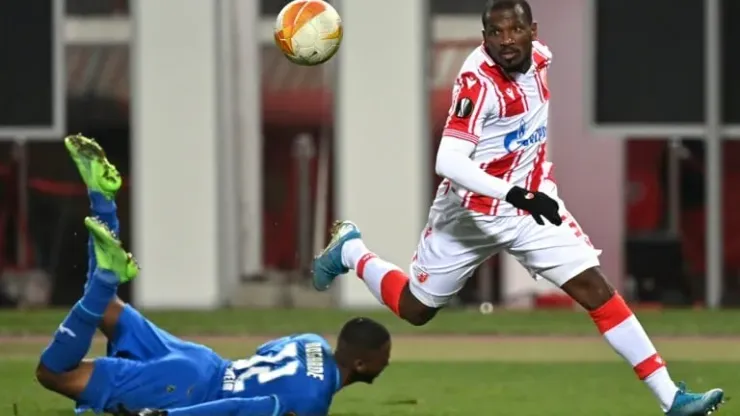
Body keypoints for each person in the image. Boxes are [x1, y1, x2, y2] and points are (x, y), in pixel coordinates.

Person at [312, 1, 724, 415]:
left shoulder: (541, 58)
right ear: (484, 38)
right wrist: (515, 193)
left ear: (533, 31)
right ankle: (351, 250)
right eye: (496, 32)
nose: (506, 40)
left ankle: (671, 398)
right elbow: (448, 161)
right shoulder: (477, 84)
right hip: (470, 213)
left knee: (594, 288)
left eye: (515, 30)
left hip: (530, 209)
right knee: (416, 309)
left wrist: (527, 191)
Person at [35, 135, 391, 416]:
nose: (387, 363)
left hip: (207, 364)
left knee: (106, 306)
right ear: (361, 363)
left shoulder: (310, 341)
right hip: (190, 392)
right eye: (383, 357)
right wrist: (167, 415)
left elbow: (263, 352)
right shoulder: (313, 402)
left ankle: (103, 202)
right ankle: (105, 276)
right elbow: (242, 408)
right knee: (54, 372)